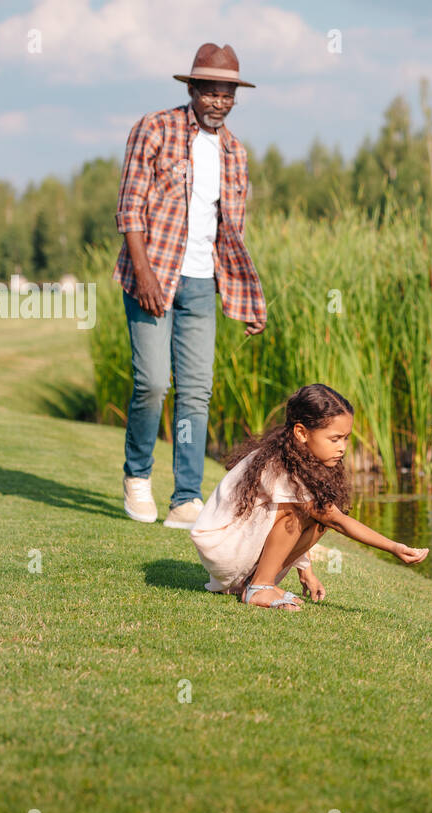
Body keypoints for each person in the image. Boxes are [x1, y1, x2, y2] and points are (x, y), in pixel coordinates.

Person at [113, 42, 267, 529]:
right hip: (153, 274)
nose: (220, 101)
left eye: (228, 93)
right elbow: (129, 209)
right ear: (193, 89)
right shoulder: (154, 129)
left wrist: (243, 300)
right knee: (153, 382)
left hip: (202, 284)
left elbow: (231, 237)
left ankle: (185, 498)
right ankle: (137, 476)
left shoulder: (235, 154)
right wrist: (144, 274)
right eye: (212, 91)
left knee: (196, 393)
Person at [190, 384, 430, 611]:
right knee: (313, 512)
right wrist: (393, 547)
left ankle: (253, 583)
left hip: (238, 547)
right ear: (302, 433)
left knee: (318, 519)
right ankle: (259, 587)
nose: (342, 447)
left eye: (346, 438)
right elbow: (334, 520)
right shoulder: (280, 465)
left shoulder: (298, 459)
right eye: (335, 439)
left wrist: (306, 571)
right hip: (224, 548)